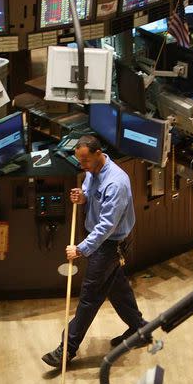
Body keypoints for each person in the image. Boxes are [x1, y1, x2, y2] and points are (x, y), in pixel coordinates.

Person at [42, 136, 150, 368]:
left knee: (90, 297)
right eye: (80, 161)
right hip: (103, 241)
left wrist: (81, 249)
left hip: (110, 244)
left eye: (85, 161)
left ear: (98, 153)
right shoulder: (92, 169)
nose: (83, 166)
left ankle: (66, 350)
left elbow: (107, 225)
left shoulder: (116, 183)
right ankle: (141, 330)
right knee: (117, 288)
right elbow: (90, 191)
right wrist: (83, 197)